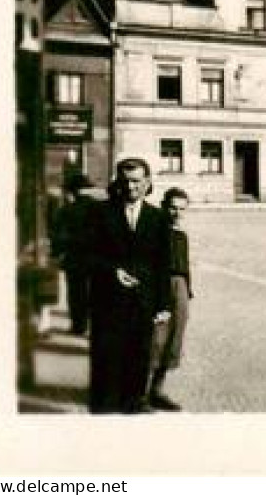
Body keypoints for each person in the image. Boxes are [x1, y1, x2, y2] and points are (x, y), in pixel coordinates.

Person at [86, 158, 172, 414]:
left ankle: (135, 402)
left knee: (139, 352)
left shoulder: (157, 217)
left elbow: (163, 264)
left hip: (143, 300)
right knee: (107, 352)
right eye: (125, 181)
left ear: (147, 183)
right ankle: (104, 406)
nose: (131, 187)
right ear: (118, 182)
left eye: (136, 181)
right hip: (108, 298)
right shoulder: (100, 212)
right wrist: (113, 272)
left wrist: (163, 303)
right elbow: (86, 254)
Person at [147, 188, 193, 411]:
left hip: (180, 289)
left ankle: (157, 390)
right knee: (156, 339)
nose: (176, 213)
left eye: (181, 209)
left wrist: (187, 292)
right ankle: (138, 393)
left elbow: (184, 267)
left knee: (175, 339)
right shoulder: (153, 231)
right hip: (159, 286)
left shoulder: (182, 236)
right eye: (173, 207)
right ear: (164, 206)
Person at [51, 175, 96, 335]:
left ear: (72, 191)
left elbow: (58, 235)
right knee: (93, 292)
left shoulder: (66, 210)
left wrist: (57, 253)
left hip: (74, 259)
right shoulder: (98, 208)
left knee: (76, 293)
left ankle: (78, 325)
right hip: (95, 259)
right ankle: (93, 326)